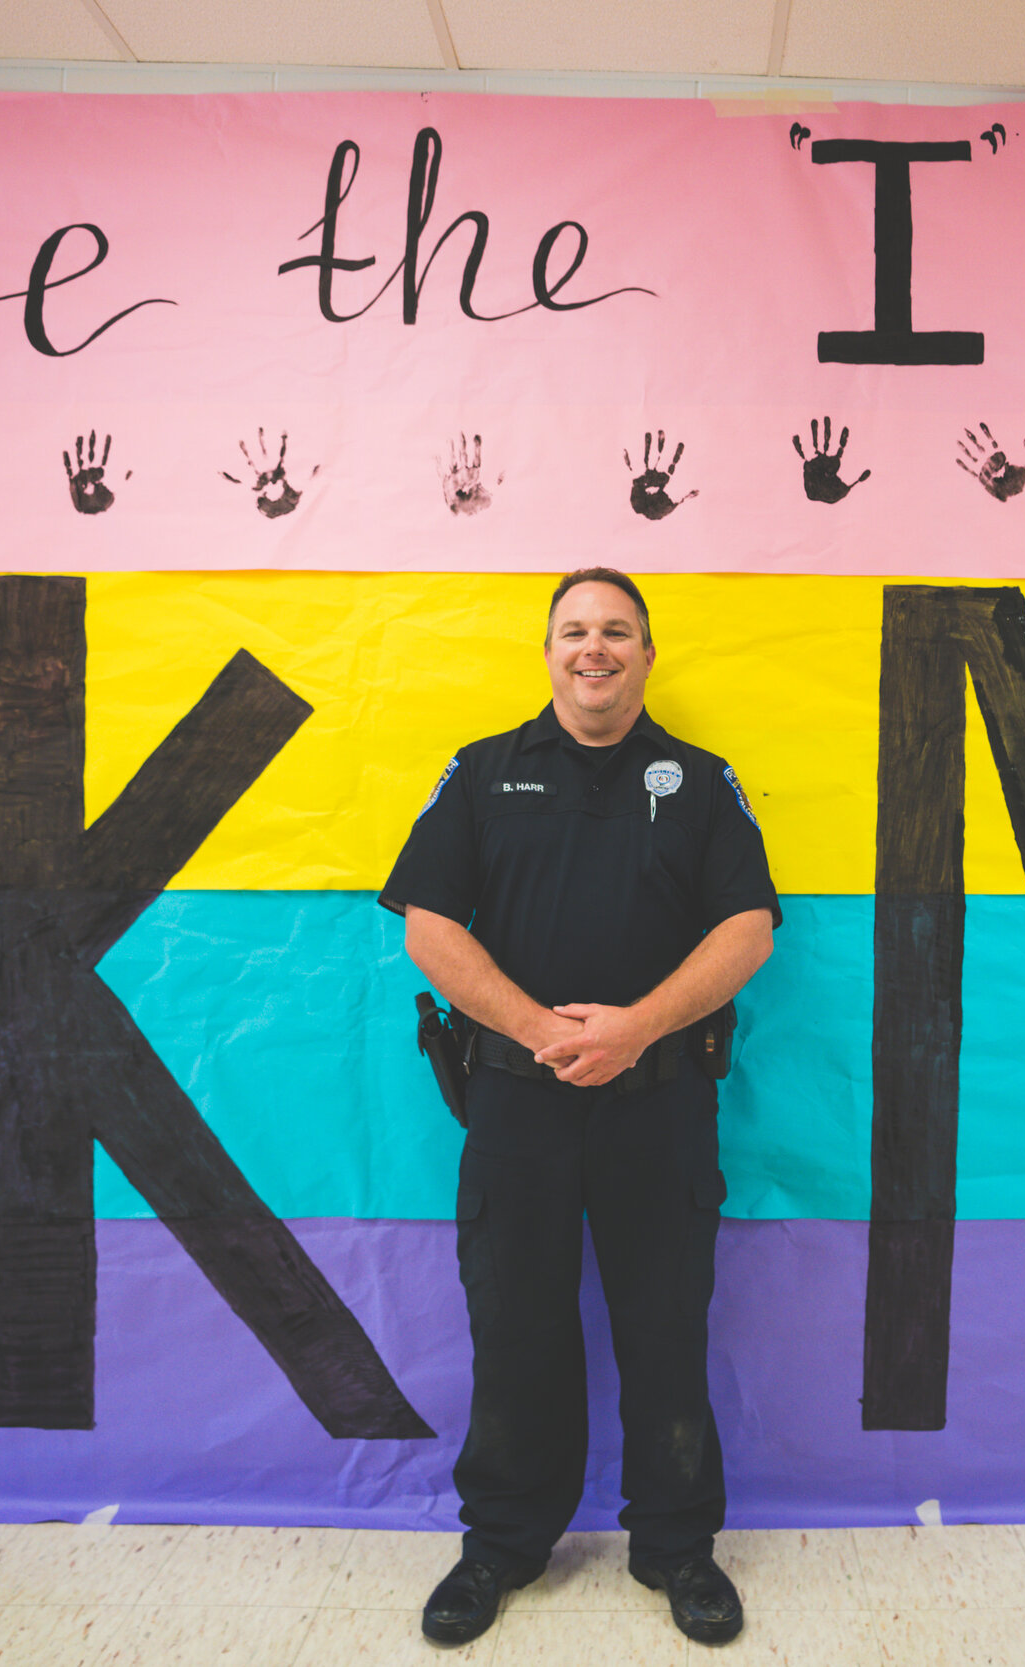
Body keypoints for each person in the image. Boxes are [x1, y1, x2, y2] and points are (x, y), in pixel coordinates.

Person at [380, 568, 779, 1646]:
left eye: (615, 630)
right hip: (517, 1104)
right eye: (573, 630)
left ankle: (678, 1546)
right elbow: (429, 925)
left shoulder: (698, 782)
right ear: (546, 650)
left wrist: (635, 1026)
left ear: (648, 653)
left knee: (664, 1324)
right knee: (513, 1325)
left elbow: (747, 929)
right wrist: (539, 1030)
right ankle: (502, 1544)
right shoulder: (482, 771)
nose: (592, 648)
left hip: (659, 1106)